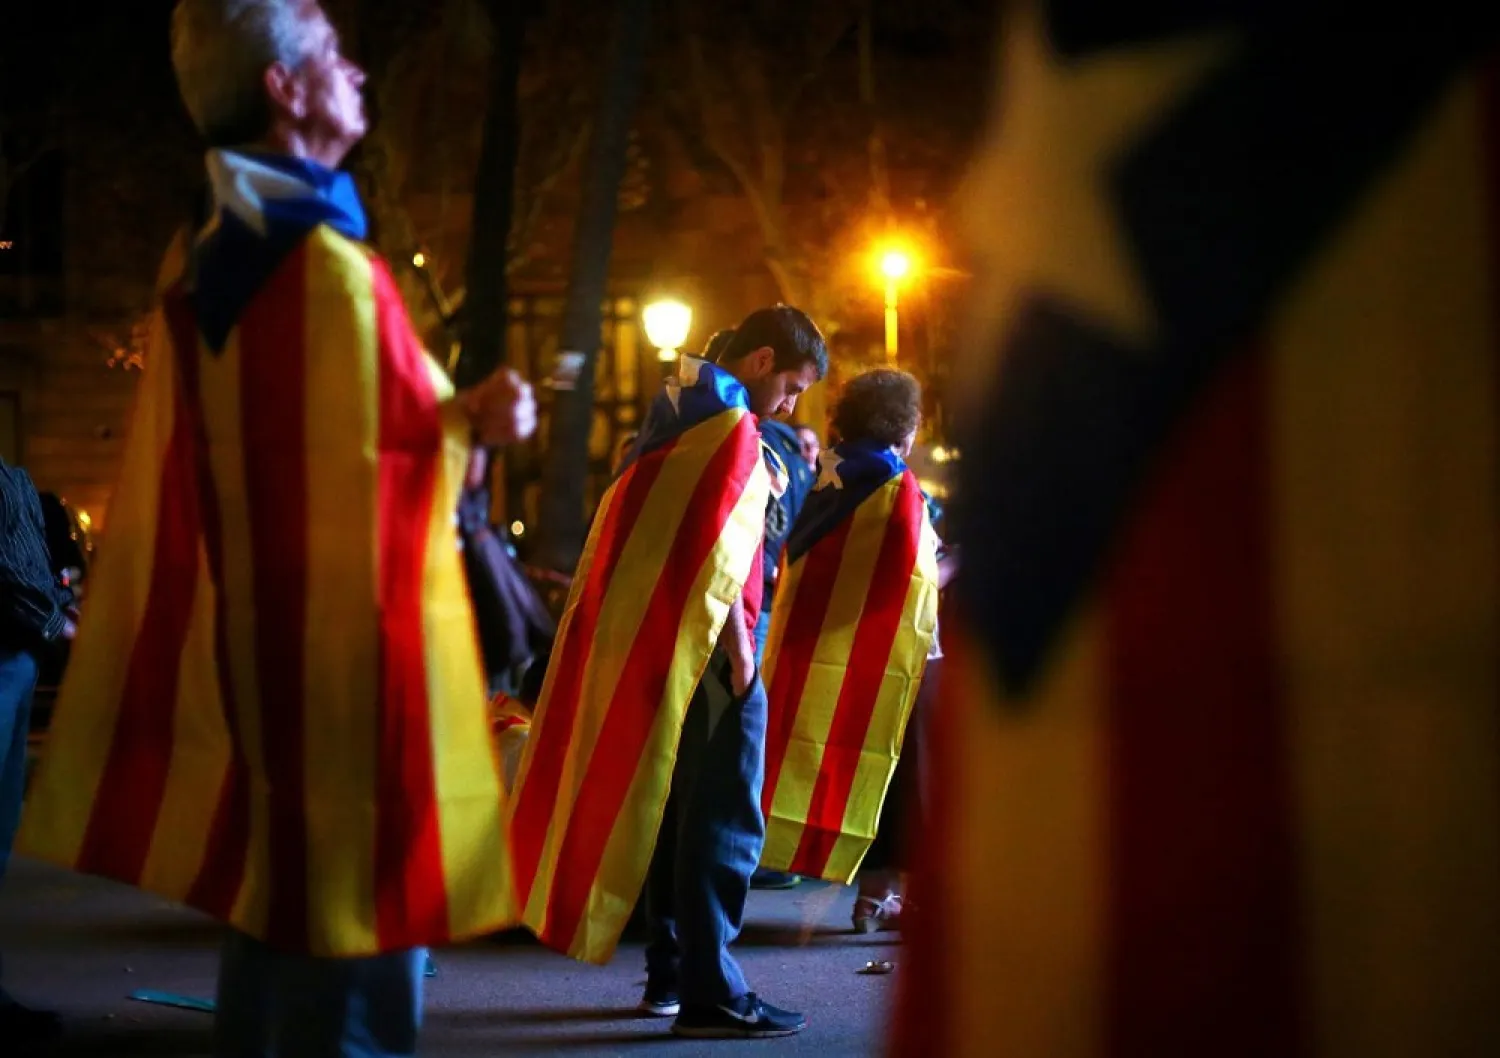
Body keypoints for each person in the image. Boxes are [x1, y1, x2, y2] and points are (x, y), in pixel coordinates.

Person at [17, 3, 536, 1056]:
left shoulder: (210, 249)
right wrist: (470, 427)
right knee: (350, 942)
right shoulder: (323, 269)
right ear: (284, 91)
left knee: (281, 916)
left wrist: (444, 418)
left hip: (269, 658)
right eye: (330, 51)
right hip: (351, 674)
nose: (354, 67)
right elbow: (381, 472)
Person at [508, 305, 827, 1040]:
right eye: (791, 385)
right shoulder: (731, 432)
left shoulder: (675, 414)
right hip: (716, 661)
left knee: (681, 818)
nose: (789, 404)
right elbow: (726, 558)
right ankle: (714, 991)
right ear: (761, 361)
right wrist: (745, 666)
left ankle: (679, 975)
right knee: (721, 826)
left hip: (662, 650)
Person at [754, 369, 941, 926]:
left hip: (836, 655)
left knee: (874, 773)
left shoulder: (828, 474)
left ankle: (872, 893)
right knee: (909, 775)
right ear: (904, 426)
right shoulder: (891, 479)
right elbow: (912, 568)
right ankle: (909, 897)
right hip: (892, 654)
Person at [0, 459, 75, 1046]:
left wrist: (57, 608)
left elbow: (30, 558)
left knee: (2, 827)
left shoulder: (15, 475)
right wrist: (56, 620)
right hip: (9, 650)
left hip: (18, 657)